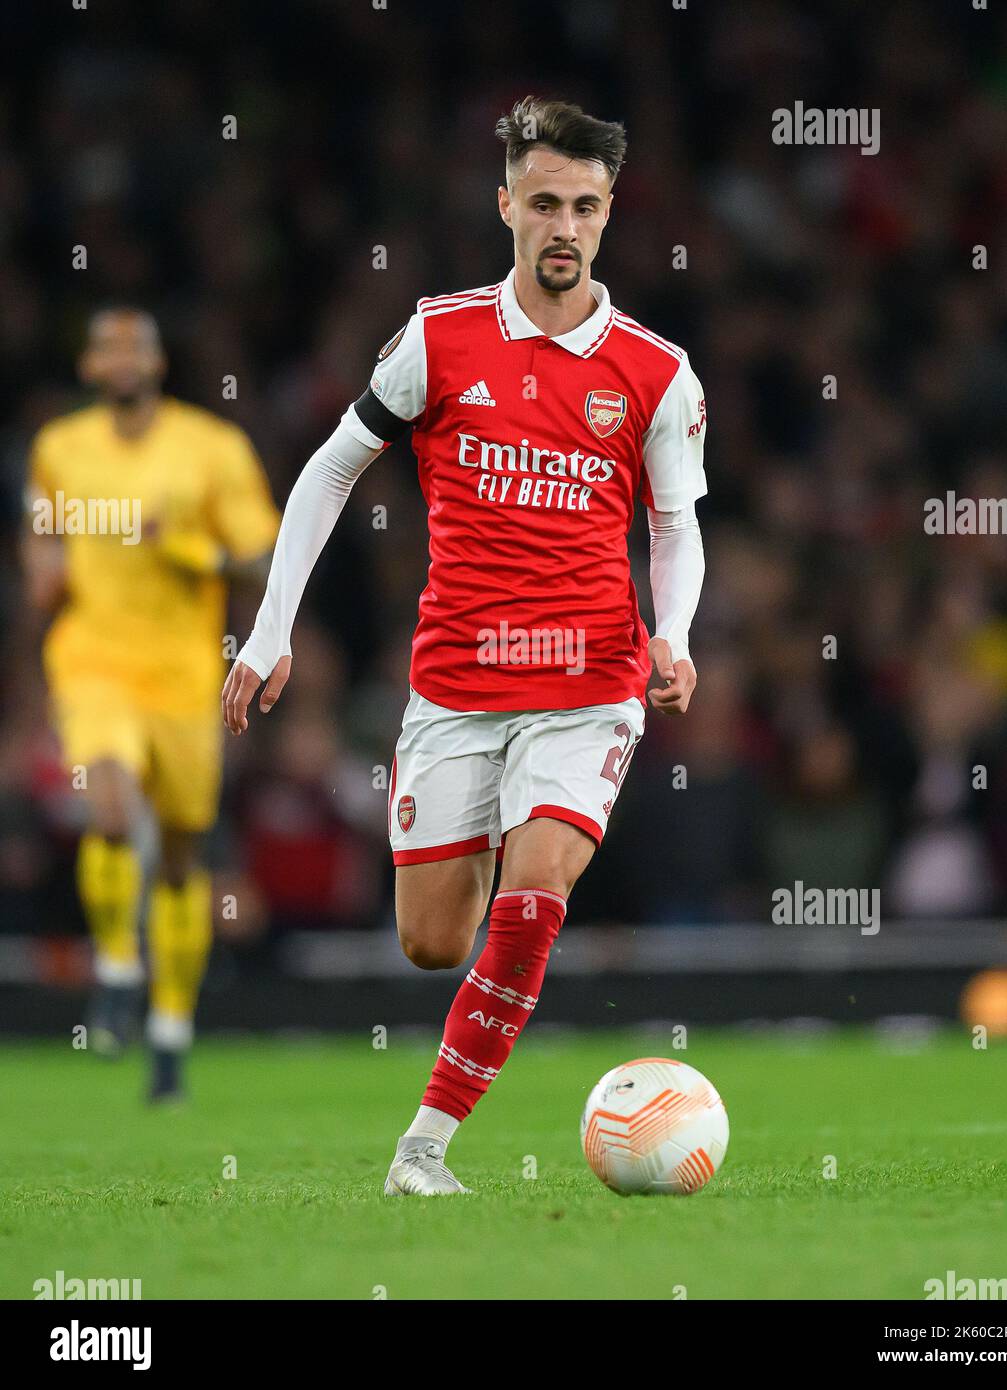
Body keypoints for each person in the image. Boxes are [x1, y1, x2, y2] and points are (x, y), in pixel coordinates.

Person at [223, 97, 707, 1192]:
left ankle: (422, 1150)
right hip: (457, 682)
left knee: (534, 897)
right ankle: (492, 836)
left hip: (591, 680)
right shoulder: (438, 339)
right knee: (435, 941)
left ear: (610, 213)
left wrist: (671, 634)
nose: (564, 227)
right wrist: (270, 630)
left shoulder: (655, 372)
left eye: (585, 206)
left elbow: (676, 524)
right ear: (506, 207)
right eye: (544, 203)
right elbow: (330, 467)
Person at [26, 308, 278, 1100]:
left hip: (184, 678)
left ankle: (170, 1029)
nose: (124, 358)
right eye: (108, 347)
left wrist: (194, 552)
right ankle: (116, 971)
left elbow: (265, 557)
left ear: (160, 362)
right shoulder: (60, 449)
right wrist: (42, 568)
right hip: (94, 662)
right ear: (90, 367)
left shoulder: (213, 448)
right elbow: (41, 530)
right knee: (106, 803)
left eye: (138, 345)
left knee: (177, 861)